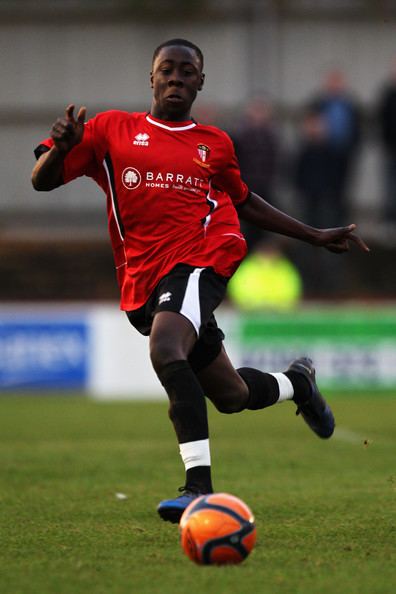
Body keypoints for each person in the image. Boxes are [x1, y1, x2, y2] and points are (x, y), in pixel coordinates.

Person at [31, 39, 369, 524]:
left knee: (166, 347)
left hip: (203, 256)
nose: (176, 78)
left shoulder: (214, 143)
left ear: (200, 82)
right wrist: (59, 150)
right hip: (143, 280)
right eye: (166, 70)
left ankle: (198, 489)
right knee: (230, 395)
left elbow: (245, 200)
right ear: (151, 78)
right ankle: (298, 384)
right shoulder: (109, 130)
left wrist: (313, 235)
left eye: (187, 72)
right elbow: (41, 181)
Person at [308, 69, 361, 227]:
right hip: (322, 158)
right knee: (321, 196)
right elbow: (308, 129)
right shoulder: (318, 104)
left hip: (342, 156)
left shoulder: (350, 105)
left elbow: (356, 131)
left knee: (340, 195)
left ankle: (341, 225)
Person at [232, 98, 280, 250]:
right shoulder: (241, 135)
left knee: (264, 231)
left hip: (265, 188)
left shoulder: (271, 137)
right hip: (246, 188)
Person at [378, 59, 396, 223]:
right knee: (390, 188)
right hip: (391, 149)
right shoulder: (388, 95)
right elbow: (383, 121)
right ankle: (390, 220)